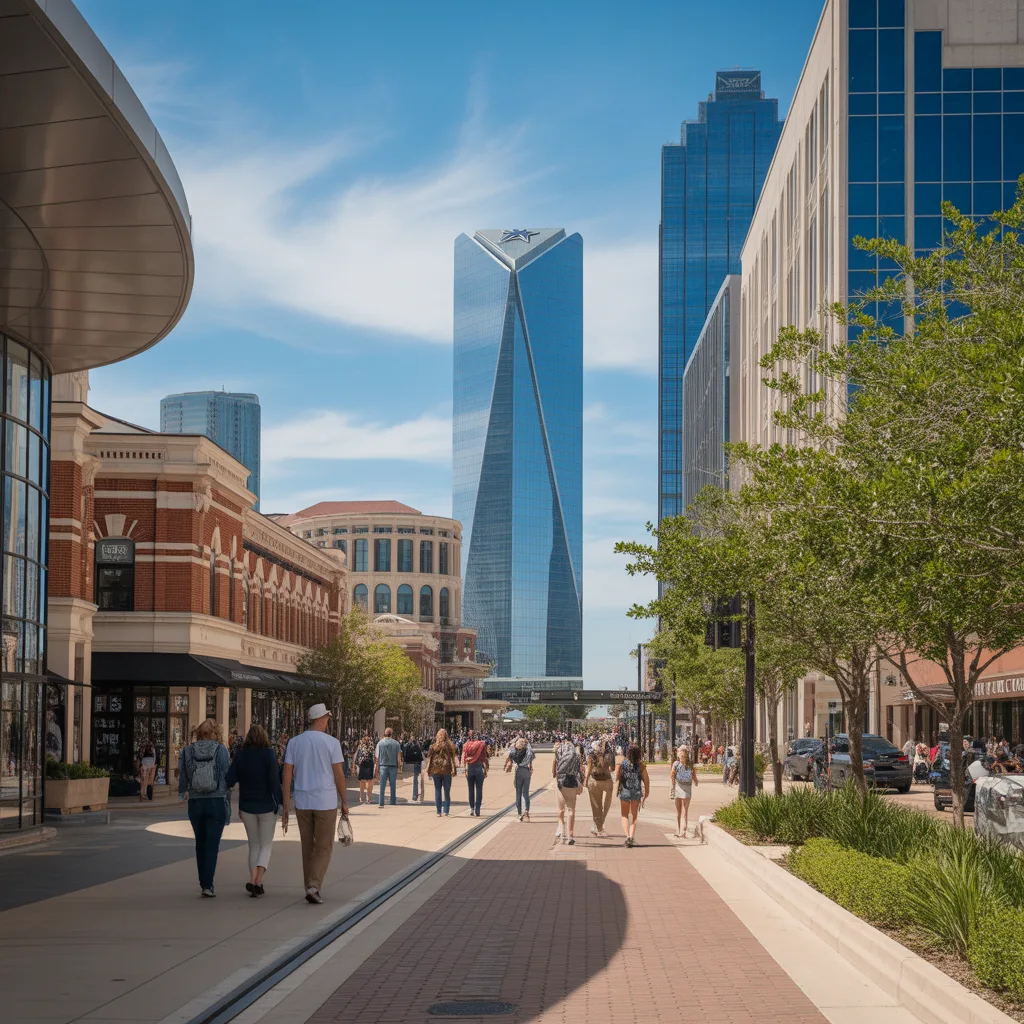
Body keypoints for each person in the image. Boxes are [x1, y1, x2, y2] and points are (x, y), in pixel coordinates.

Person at [281, 703, 350, 905]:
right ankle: (314, 885)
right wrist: (344, 802)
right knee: (323, 847)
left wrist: (286, 806)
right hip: (325, 801)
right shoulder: (331, 743)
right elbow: (339, 775)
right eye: (327, 718)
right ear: (321, 719)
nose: (328, 721)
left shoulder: (295, 742)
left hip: (303, 800)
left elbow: (286, 775)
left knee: (307, 846)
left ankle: (310, 886)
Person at [226, 724, 283, 897]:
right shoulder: (269, 754)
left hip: (247, 807)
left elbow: (229, 779)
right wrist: (281, 803)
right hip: (266, 806)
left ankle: (254, 881)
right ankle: (256, 881)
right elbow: (274, 781)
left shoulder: (241, 756)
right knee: (266, 845)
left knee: (254, 846)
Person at [177, 718, 231, 897]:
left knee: (200, 843)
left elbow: (183, 774)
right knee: (212, 845)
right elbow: (226, 776)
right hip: (216, 800)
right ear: (216, 733)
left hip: (195, 801)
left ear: (198, 733)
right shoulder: (221, 750)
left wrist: (182, 792)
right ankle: (208, 884)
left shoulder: (187, 750)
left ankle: (203, 883)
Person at [617, 743, 649, 848]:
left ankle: (627, 836)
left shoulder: (623, 764)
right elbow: (646, 781)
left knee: (624, 815)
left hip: (625, 791)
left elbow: (617, 776)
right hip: (636, 792)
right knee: (634, 816)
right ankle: (631, 836)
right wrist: (646, 793)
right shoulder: (641, 766)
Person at [552, 736, 584, 845]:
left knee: (561, 810)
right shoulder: (576, 754)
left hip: (561, 782)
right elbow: (579, 769)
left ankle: (562, 831)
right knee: (571, 810)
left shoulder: (559, 752)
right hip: (572, 782)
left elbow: (554, 769)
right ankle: (571, 835)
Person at [586, 736, 615, 837]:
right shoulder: (609, 753)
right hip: (607, 780)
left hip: (594, 781)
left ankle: (598, 827)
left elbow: (589, 768)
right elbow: (612, 769)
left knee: (596, 806)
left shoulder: (591, 753)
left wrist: (586, 780)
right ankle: (599, 825)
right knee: (605, 805)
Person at [426, 728, 458, 816]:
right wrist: (454, 769)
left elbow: (429, 758)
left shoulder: (433, 746)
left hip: (435, 770)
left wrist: (428, 769)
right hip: (446, 770)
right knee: (447, 791)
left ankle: (438, 811)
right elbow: (453, 758)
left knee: (437, 790)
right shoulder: (450, 745)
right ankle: (446, 810)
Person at [504, 737, 535, 820]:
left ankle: (519, 813)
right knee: (526, 793)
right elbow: (531, 754)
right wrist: (527, 743)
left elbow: (509, 752)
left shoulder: (515, 752)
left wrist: (515, 744)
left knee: (518, 793)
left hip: (519, 771)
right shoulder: (528, 752)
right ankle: (527, 810)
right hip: (526, 771)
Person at [670, 746, 698, 838]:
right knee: (685, 811)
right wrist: (696, 781)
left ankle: (679, 830)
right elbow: (694, 776)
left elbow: (672, 775)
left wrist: (673, 785)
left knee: (679, 811)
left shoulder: (676, 764)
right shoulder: (690, 764)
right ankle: (683, 830)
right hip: (686, 788)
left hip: (679, 787)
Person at [461, 729, 489, 816]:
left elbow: (464, 757)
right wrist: (485, 767)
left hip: (469, 768)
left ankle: (472, 809)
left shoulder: (466, 745)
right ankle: (478, 810)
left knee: (470, 789)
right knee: (479, 789)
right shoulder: (482, 744)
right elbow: (484, 757)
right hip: (478, 767)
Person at [375, 727, 402, 807]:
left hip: (383, 765)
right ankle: (393, 802)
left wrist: (376, 767)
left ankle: (381, 802)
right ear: (391, 734)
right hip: (393, 766)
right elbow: (398, 756)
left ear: (384, 733)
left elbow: (377, 756)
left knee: (382, 785)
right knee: (393, 784)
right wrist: (399, 765)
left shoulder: (380, 743)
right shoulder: (396, 743)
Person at [402, 732, 425, 803]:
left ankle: (414, 796)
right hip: (417, 763)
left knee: (413, 780)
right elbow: (421, 755)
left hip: (409, 764)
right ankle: (417, 796)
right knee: (417, 780)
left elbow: (404, 754)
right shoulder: (419, 745)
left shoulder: (406, 745)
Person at [354, 732, 375, 804]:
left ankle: (361, 797)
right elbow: (373, 756)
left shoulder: (360, 747)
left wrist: (356, 765)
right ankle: (368, 798)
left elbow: (357, 756)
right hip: (369, 764)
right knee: (369, 781)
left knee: (362, 782)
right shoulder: (371, 747)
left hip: (362, 764)